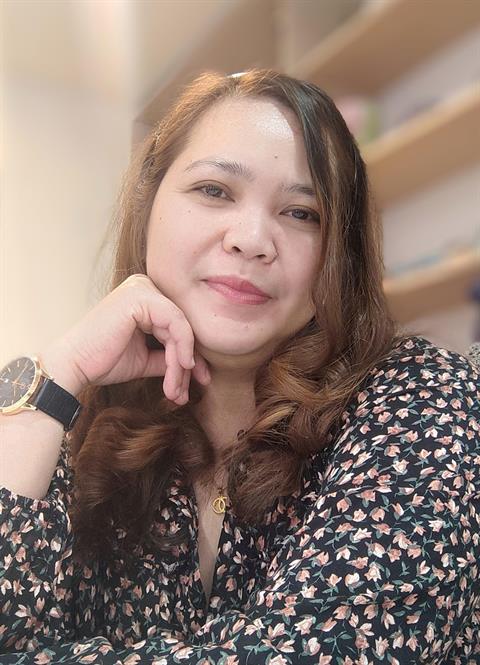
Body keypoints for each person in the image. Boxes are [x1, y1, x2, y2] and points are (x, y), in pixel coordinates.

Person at [0, 68, 479, 664]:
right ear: (148, 205)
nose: (252, 239)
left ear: (341, 254)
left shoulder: (426, 401)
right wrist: (55, 375)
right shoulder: (86, 424)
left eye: (303, 213)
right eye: (214, 190)